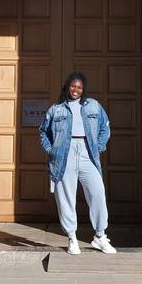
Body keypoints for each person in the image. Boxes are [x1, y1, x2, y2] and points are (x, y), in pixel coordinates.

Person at [39, 72, 116, 255]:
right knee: (66, 197)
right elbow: (43, 132)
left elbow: (105, 126)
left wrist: (98, 147)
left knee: (97, 192)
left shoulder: (93, 106)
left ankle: (100, 236)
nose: (76, 90)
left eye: (79, 87)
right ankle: (72, 238)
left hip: (87, 152)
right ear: (67, 87)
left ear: (84, 89)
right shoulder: (56, 109)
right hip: (64, 155)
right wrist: (52, 150)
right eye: (73, 86)